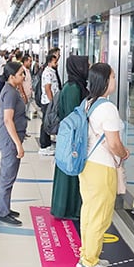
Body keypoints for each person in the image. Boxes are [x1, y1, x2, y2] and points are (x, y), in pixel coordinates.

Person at [77, 63, 129, 267]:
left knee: (89, 212)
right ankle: (90, 262)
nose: (115, 80)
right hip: (102, 168)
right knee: (100, 216)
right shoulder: (108, 108)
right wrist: (125, 154)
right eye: (113, 76)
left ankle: (87, 256)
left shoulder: (88, 103)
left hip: (88, 166)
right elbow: (114, 143)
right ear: (105, 80)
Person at [50, 55, 89, 220]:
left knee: (67, 169)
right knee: (70, 171)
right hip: (72, 138)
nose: (88, 67)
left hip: (69, 136)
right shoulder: (73, 88)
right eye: (86, 64)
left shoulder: (73, 84)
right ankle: (68, 209)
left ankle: (65, 207)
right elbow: (75, 115)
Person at [0, 61, 29, 226]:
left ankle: (2, 206)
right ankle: (2, 212)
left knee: (6, 174)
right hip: (9, 139)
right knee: (7, 176)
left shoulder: (11, 90)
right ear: (11, 76)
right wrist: (18, 144)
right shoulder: (10, 93)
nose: (24, 76)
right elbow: (8, 120)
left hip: (9, 137)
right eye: (21, 73)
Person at [38, 52, 60, 155]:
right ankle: (43, 146)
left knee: (47, 122)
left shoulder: (52, 71)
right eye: (55, 62)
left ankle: (47, 143)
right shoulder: (47, 72)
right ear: (50, 62)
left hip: (50, 101)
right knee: (46, 123)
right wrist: (52, 102)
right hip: (48, 102)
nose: (57, 64)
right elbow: (47, 88)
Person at [21, 55, 34, 119]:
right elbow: (20, 84)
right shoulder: (22, 71)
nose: (31, 63)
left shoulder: (28, 70)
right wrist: (23, 95)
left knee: (26, 108)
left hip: (28, 94)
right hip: (24, 95)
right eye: (30, 61)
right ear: (25, 62)